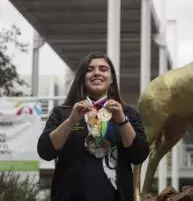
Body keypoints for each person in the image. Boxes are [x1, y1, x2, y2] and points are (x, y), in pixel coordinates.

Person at [37, 52, 150, 201]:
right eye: (89, 70)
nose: (96, 73)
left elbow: (139, 155)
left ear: (112, 79)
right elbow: (45, 151)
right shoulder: (63, 113)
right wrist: (71, 120)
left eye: (103, 69)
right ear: (82, 78)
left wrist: (122, 121)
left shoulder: (128, 114)